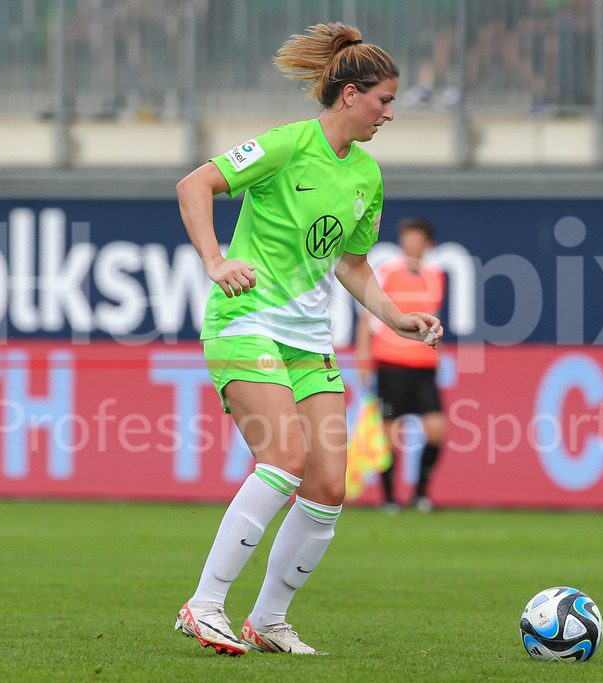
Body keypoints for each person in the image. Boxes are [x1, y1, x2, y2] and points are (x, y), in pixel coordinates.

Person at [172, 22, 442, 656]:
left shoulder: (367, 177)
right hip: (246, 321)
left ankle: (268, 620)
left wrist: (395, 317)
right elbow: (195, 185)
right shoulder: (287, 146)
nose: (391, 113)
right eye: (383, 100)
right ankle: (204, 604)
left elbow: (351, 263)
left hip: (307, 339)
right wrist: (215, 262)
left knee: (328, 486)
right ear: (350, 95)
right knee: (284, 460)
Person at [356, 217, 448, 513]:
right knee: (389, 434)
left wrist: (438, 353)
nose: (410, 243)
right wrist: (363, 360)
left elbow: (432, 318)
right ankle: (389, 497)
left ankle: (420, 493)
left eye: (417, 238)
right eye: (407, 237)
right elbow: (367, 318)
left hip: (423, 366)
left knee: (436, 431)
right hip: (390, 362)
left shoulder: (435, 275)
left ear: (428, 244)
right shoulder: (387, 272)